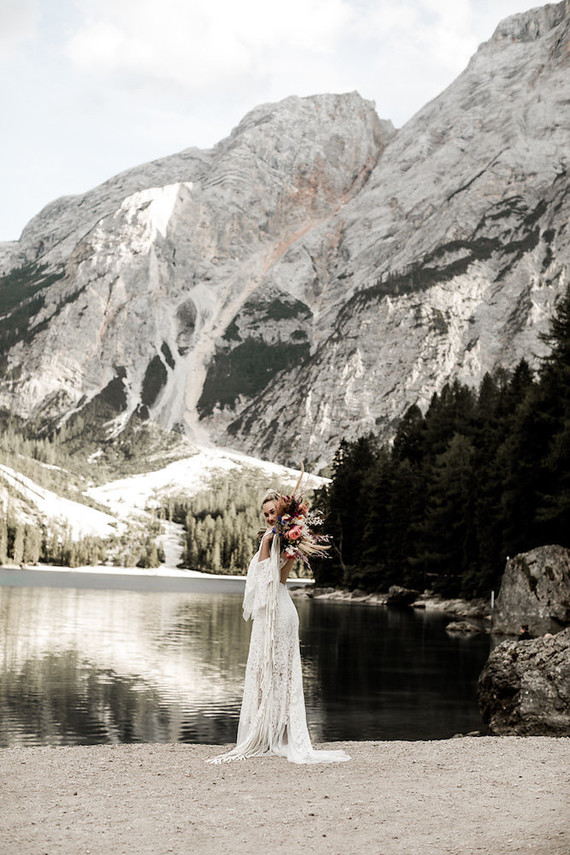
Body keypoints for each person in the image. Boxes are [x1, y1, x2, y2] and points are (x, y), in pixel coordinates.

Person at [207, 483, 350, 765]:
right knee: (266, 671)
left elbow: (267, 581)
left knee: (278, 673)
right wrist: (270, 540)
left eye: (273, 512)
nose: (269, 518)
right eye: (265, 514)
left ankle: (276, 734)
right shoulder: (279, 539)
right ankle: (270, 732)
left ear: (283, 512)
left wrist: (266, 543)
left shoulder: (281, 542)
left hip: (278, 612)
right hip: (272, 610)